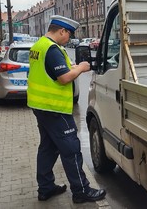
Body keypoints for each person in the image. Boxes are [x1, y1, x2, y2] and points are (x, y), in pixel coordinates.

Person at [27, 15, 106, 203]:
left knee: (48, 148)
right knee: (71, 149)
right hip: (55, 109)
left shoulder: (38, 46)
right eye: (68, 34)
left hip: (40, 106)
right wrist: (82, 68)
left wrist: (72, 67)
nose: (69, 39)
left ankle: (45, 188)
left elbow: (48, 72)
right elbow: (63, 78)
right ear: (61, 31)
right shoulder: (52, 49)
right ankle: (81, 191)